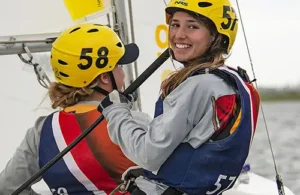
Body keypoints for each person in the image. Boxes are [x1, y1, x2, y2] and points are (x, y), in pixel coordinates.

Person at [98, 0, 261, 194]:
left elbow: (147, 154)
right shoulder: (233, 82)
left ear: (216, 36)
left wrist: (115, 112)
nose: (179, 35)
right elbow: (197, 147)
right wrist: (154, 173)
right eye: (175, 25)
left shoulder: (198, 86)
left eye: (192, 26)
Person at [0, 23, 150, 195]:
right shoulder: (135, 123)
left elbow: (6, 188)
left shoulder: (41, 131)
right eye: (119, 66)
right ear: (104, 77)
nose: (123, 74)